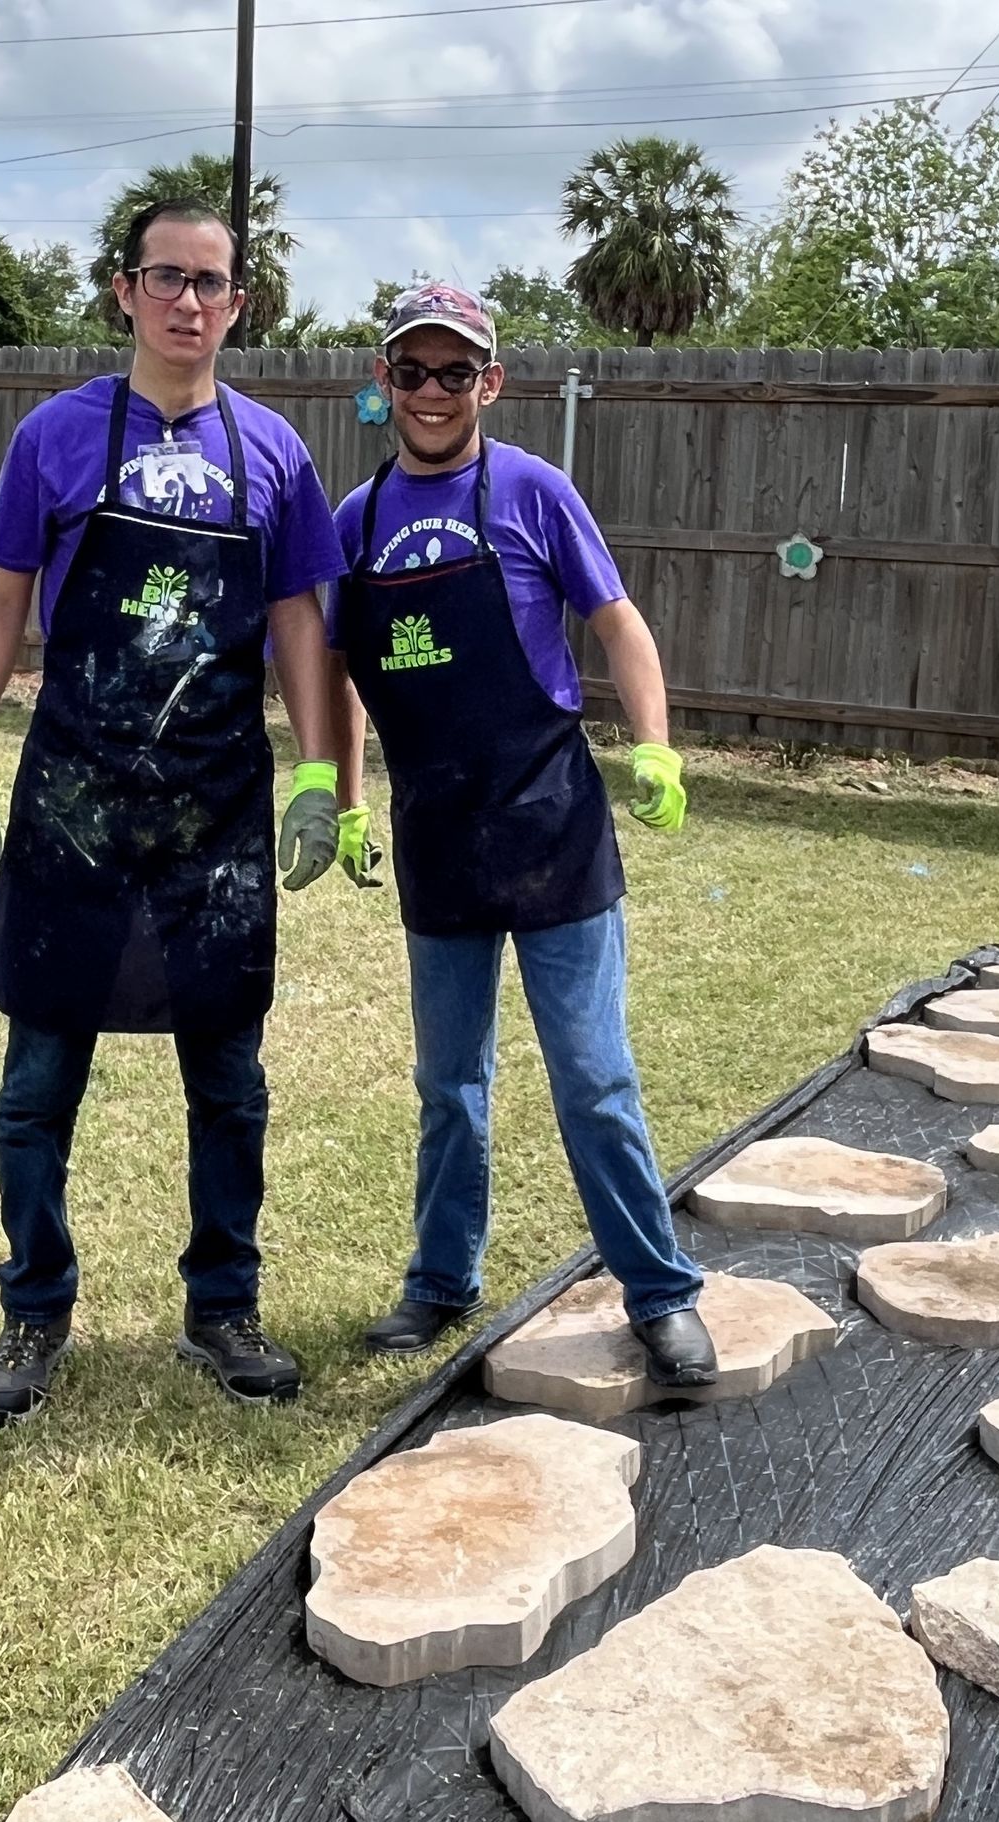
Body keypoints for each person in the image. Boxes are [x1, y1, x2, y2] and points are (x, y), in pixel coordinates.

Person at [0, 198, 349, 1426]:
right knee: (36, 1081)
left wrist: (323, 775)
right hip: (74, 798)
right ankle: (35, 1306)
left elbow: (298, 626)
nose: (187, 301)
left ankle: (223, 1305)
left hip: (216, 807)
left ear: (237, 304)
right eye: (166, 277)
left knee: (229, 1078)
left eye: (210, 283)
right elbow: (2, 597)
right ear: (124, 291)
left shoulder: (275, 453)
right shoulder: (53, 437)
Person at [329, 283, 717, 1389]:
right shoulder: (357, 525)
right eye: (415, 371)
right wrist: (345, 793)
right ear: (385, 382)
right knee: (451, 1083)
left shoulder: (537, 494)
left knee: (594, 1077)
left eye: (459, 372)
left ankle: (660, 1293)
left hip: (553, 827)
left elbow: (619, 621)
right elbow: (341, 671)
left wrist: (656, 745)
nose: (436, 391)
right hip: (438, 834)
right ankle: (442, 1279)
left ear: (490, 384)